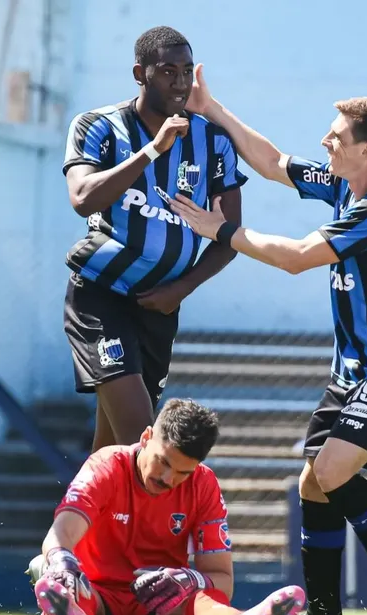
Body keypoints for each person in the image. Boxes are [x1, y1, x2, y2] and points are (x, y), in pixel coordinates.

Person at [175, 73, 367, 615]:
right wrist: (211, 108)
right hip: (353, 373)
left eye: (336, 136)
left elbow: (296, 258)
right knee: (312, 484)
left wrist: (225, 232)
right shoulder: (347, 185)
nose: (325, 142)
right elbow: (271, 162)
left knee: (333, 471)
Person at [62, 26, 247, 453]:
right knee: (143, 440)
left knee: (111, 451)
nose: (180, 83)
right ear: (139, 73)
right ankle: (146, 521)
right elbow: (83, 199)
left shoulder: (213, 142)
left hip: (160, 305)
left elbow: (228, 235)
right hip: (101, 296)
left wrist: (181, 289)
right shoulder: (98, 127)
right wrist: (151, 152)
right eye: (167, 72)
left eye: (186, 72)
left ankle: (81, 519)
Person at [30, 398, 305, 615]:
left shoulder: (204, 484)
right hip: (97, 593)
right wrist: (61, 561)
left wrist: (190, 579)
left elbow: (223, 580)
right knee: (71, 588)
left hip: (160, 604)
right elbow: (60, 533)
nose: (168, 479)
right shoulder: (105, 465)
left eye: (182, 472)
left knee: (202, 599)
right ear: (146, 437)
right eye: (163, 462)